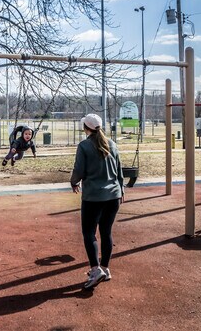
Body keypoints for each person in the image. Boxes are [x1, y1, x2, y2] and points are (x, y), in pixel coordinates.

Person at [70, 113, 124, 290]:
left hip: (94, 197)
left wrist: (73, 181)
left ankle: (95, 269)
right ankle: (106, 268)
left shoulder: (84, 146)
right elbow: (119, 170)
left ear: (85, 127)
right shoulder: (112, 144)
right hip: (113, 196)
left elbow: (79, 170)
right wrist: (121, 190)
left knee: (89, 233)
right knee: (106, 231)